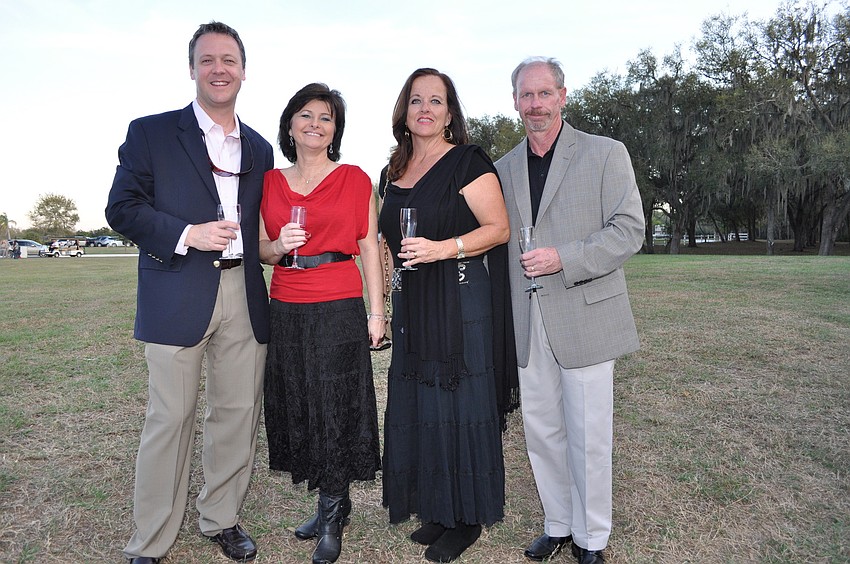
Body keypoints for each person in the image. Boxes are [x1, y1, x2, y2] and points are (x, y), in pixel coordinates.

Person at [105, 21, 273, 564]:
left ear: (243, 71)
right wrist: (186, 234)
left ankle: (221, 518)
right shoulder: (151, 133)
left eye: (229, 60)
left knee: (237, 413)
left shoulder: (261, 147)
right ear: (193, 69)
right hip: (177, 289)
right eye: (208, 60)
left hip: (244, 292)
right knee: (170, 419)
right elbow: (121, 208)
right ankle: (151, 539)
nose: (219, 69)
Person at [495, 57, 644, 564]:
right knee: (541, 430)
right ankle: (557, 523)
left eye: (544, 93)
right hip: (527, 317)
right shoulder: (503, 168)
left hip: (586, 312)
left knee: (588, 434)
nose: (535, 104)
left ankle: (591, 537)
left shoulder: (606, 153)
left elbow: (629, 230)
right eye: (526, 95)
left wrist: (565, 257)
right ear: (515, 101)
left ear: (562, 95)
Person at [378, 68, 519, 563]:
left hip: (460, 305)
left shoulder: (467, 161)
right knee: (425, 406)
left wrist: (443, 248)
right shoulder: (393, 171)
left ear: (449, 113)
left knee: (462, 406)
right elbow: (386, 240)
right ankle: (439, 507)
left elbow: (498, 228)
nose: (425, 109)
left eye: (436, 101)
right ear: (405, 112)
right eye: (416, 100)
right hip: (413, 307)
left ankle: (467, 519)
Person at [259, 83, 383, 564]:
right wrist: (278, 246)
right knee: (303, 403)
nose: (315, 124)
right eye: (306, 115)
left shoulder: (354, 178)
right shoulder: (269, 182)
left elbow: (369, 246)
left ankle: (331, 517)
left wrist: (377, 311)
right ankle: (332, 501)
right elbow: (262, 250)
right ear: (290, 125)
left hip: (337, 302)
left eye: (326, 118)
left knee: (334, 404)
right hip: (286, 303)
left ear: (335, 130)